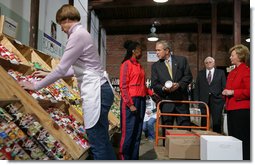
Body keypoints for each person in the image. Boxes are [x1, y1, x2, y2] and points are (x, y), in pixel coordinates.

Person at [19, 4, 116, 160]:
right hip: (101, 88)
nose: (62, 29)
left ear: (66, 20)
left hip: (97, 90)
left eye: (61, 24)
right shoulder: (82, 34)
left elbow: (62, 69)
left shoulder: (77, 35)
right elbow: (78, 69)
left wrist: (36, 86)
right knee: (102, 140)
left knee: (97, 141)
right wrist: (49, 73)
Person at [151, 40, 193, 145]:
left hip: (181, 101)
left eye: (158, 50)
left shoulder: (182, 60)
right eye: (156, 50)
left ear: (167, 50)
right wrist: (164, 89)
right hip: (166, 102)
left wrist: (179, 85)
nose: (156, 53)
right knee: (166, 129)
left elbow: (188, 76)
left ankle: (185, 150)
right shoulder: (155, 66)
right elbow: (154, 84)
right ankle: (167, 150)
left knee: (184, 127)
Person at [119, 40, 154, 160]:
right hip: (131, 101)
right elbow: (123, 86)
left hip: (141, 101)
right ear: (133, 51)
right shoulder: (126, 64)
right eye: (140, 50)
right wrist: (130, 104)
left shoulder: (139, 65)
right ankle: (124, 158)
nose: (142, 52)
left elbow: (142, 85)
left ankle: (134, 159)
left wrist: (152, 93)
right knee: (128, 132)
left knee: (137, 132)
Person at [222, 44, 250, 160]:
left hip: (242, 110)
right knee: (233, 137)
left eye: (232, 55)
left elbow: (250, 91)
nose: (230, 57)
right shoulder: (233, 72)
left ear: (240, 56)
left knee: (242, 138)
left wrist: (233, 92)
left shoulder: (246, 71)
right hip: (231, 108)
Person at [194, 56, 226, 133]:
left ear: (214, 63)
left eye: (210, 62)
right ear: (204, 64)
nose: (208, 64)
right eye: (206, 62)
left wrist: (223, 99)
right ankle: (203, 136)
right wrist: (196, 100)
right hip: (203, 101)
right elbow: (197, 88)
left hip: (217, 101)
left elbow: (224, 86)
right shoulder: (200, 73)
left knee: (217, 121)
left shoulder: (220, 73)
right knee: (203, 120)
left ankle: (217, 137)